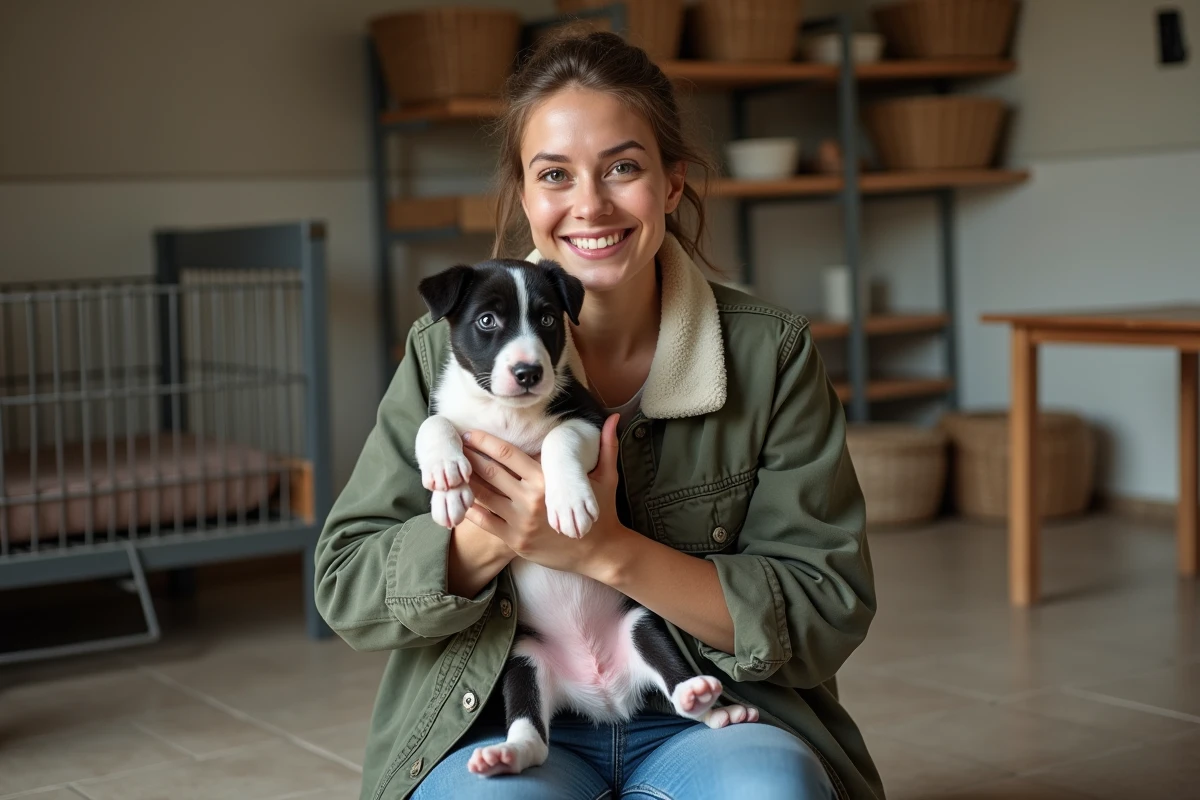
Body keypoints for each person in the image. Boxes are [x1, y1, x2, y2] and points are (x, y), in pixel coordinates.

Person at [315, 30, 883, 800]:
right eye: (555, 174)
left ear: (673, 185)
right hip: (496, 719)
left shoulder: (768, 352)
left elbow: (825, 607)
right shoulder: (441, 353)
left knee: (772, 791)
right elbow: (347, 583)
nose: (590, 204)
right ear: (524, 195)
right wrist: (490, 536)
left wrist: (605, 551)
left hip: (699, 711)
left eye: (623, 166)